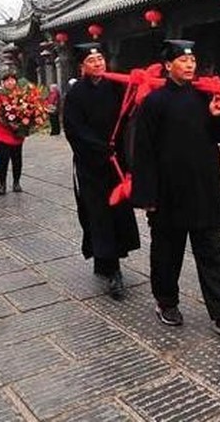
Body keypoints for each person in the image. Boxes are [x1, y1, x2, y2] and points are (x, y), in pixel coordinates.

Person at [131, 39, 220, 341]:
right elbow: (142, 152)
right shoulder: (153, 103)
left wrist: (217, 113)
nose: (190, 65)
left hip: (205, 191)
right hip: (168, 194)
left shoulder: (204, 96)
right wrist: (147, 196)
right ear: (169, 65)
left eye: (193, 60)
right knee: (167, 253)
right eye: (183, 61)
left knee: (215, 254)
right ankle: (166, 301)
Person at [63, 42, 140, 299]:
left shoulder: (115, 86)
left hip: (116, 161)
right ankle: (111, 269)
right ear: (82, 66)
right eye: (92, 60)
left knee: (118, 213)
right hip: (91, 165)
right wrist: (99, 148)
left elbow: (128, 114)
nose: (98, 63)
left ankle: (111, 259)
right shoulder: (75, 94)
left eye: (100, 58)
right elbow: (74, 130)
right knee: (98, 214)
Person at [0, 72, 30, 195]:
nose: (10, 82)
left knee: (17, 159)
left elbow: (28, 110)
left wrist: (22, 124)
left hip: (17, 133)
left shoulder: (21, 95)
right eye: (7, 80)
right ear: (3, 83)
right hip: (3, 133)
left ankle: (16, 182)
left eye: (12, 80)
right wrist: (9, 124)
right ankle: (2, 184)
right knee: (3, 160)